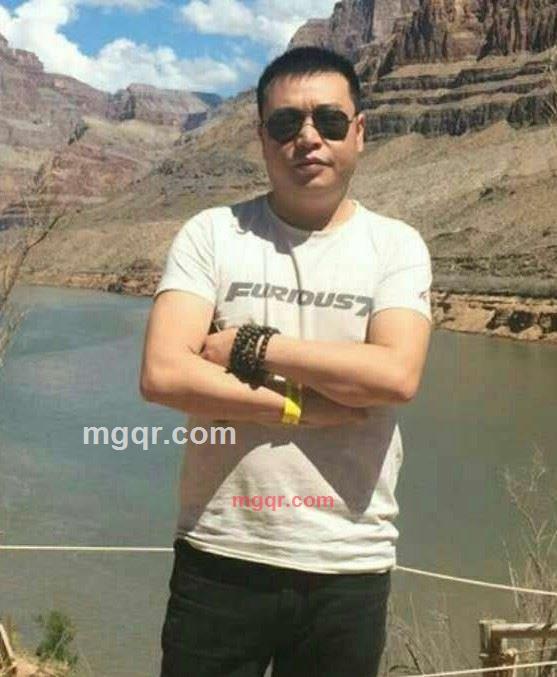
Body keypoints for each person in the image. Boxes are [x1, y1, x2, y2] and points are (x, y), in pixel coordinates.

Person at [140, 46, 433, 677]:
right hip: (220, 553)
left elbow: (395, 376)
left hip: (348, 563)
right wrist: (299, 405)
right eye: (285, 123)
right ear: (261, 138)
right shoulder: (211, 234)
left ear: (359, 132)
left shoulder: (396, 247)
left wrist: (249, 347)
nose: (307, 137)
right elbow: (164, 373)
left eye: (329, 120)